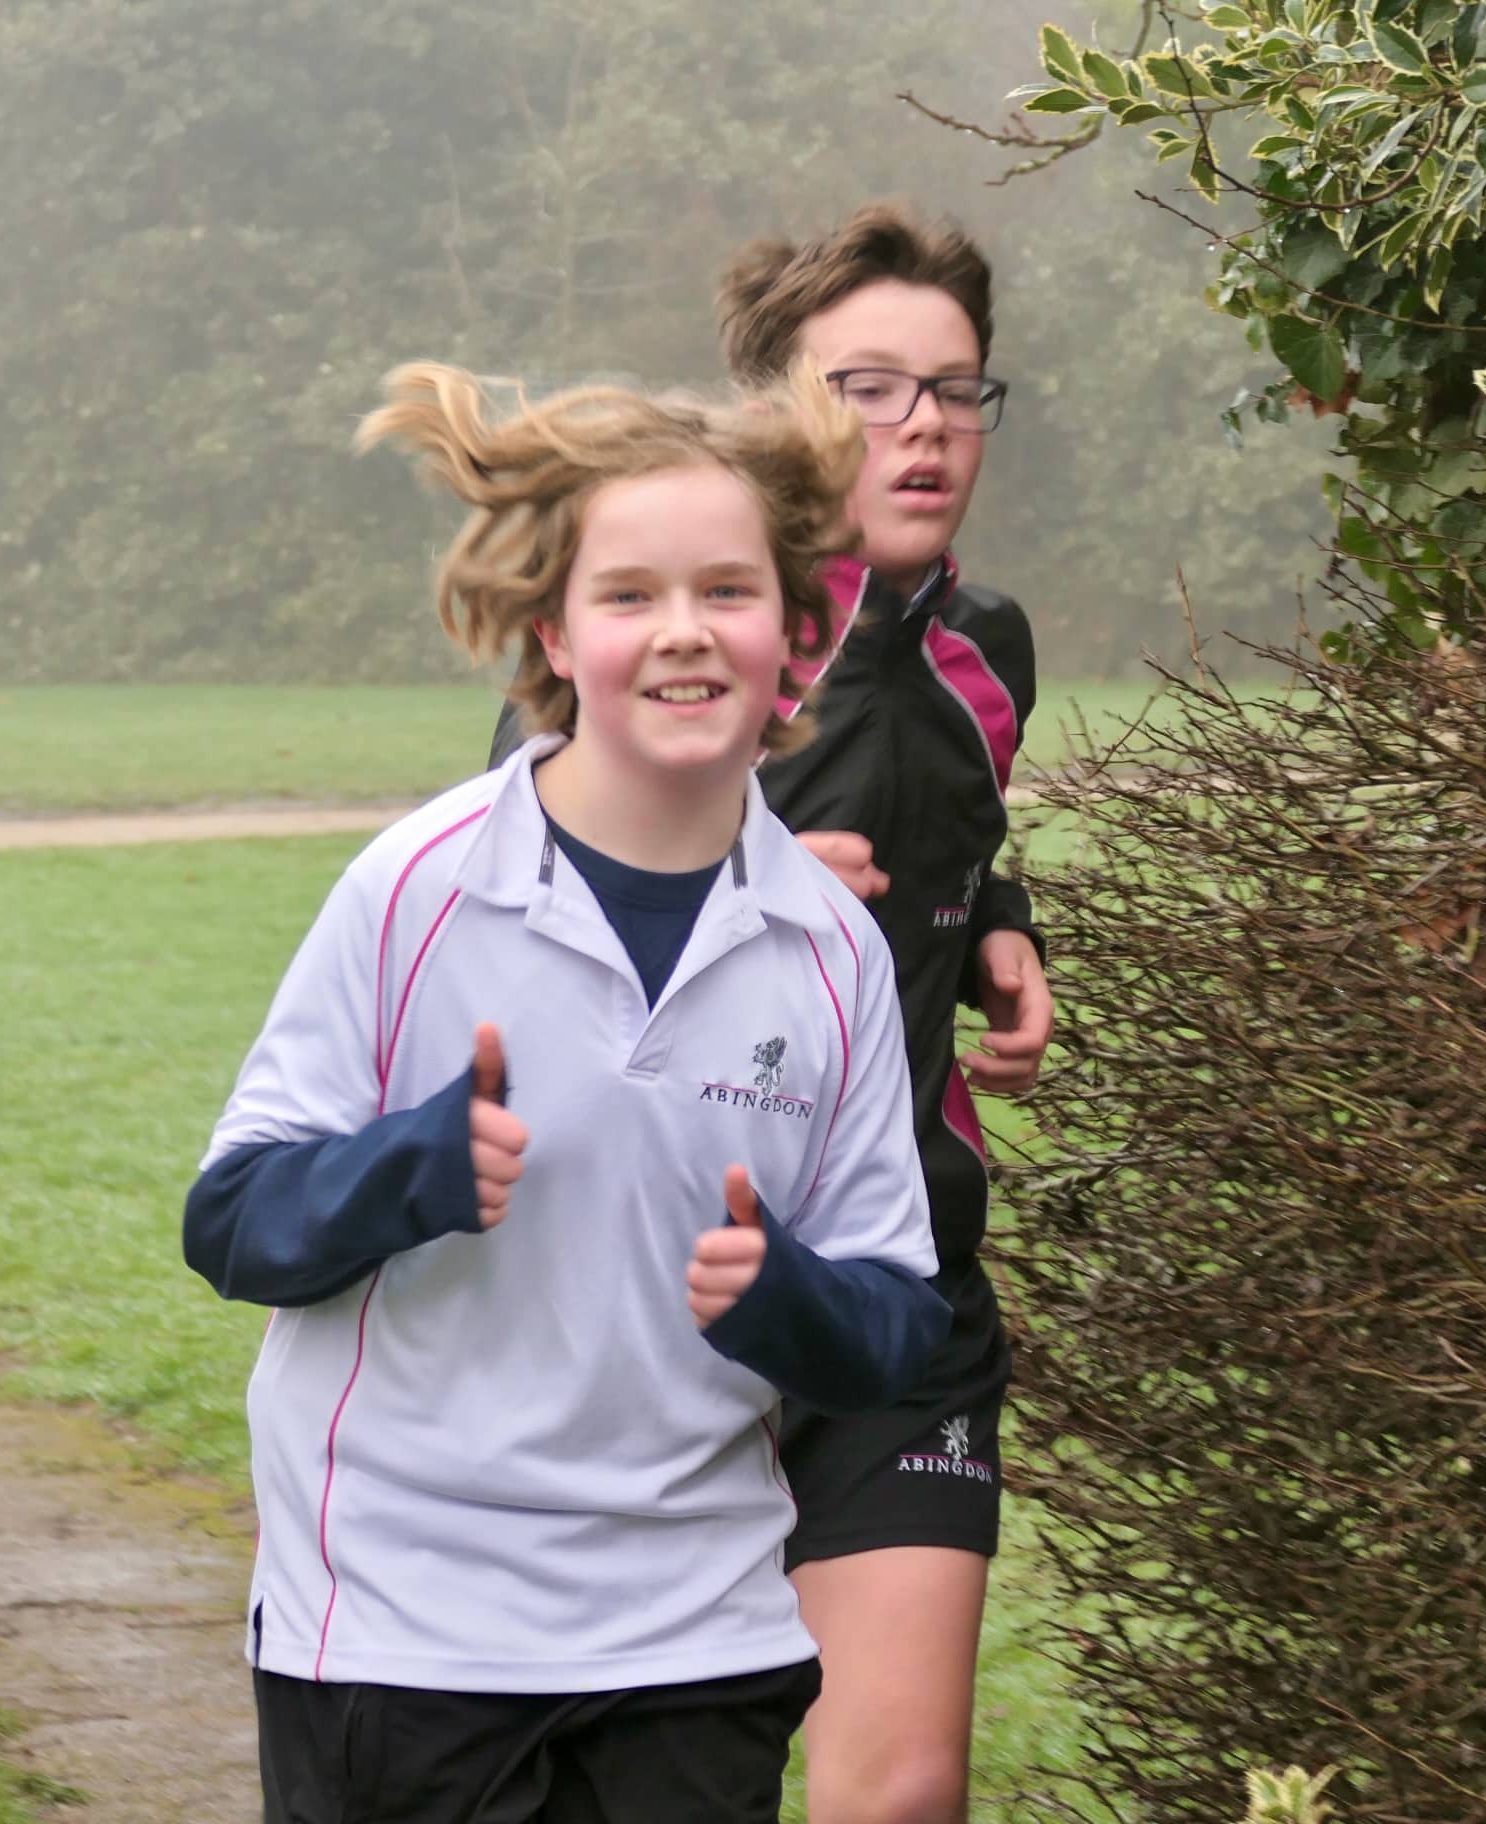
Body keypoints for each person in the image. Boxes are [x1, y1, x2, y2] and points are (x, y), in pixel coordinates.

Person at [193, 359, 949, 1823]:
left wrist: (783, 1297)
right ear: (554, 630)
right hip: (406, 1630)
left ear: (794, 629)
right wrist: (413, 1168)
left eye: (726, 590)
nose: (684, 631)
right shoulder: (416, 892)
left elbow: (898, 1324)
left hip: (697, 1642)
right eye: (630, 595)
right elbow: (230, 1223)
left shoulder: (831, 950)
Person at [543, 204, 1060, 1824]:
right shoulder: (683, 641)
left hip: (900, 1289)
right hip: (660, 1297)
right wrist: (725, 877)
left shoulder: (987, 651)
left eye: (956, 390)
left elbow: (950, 831)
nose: (925, 428)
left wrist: (1001, 927)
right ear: (778, 411)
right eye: (872, 388)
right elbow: (513, 896)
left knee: (901, 1791)